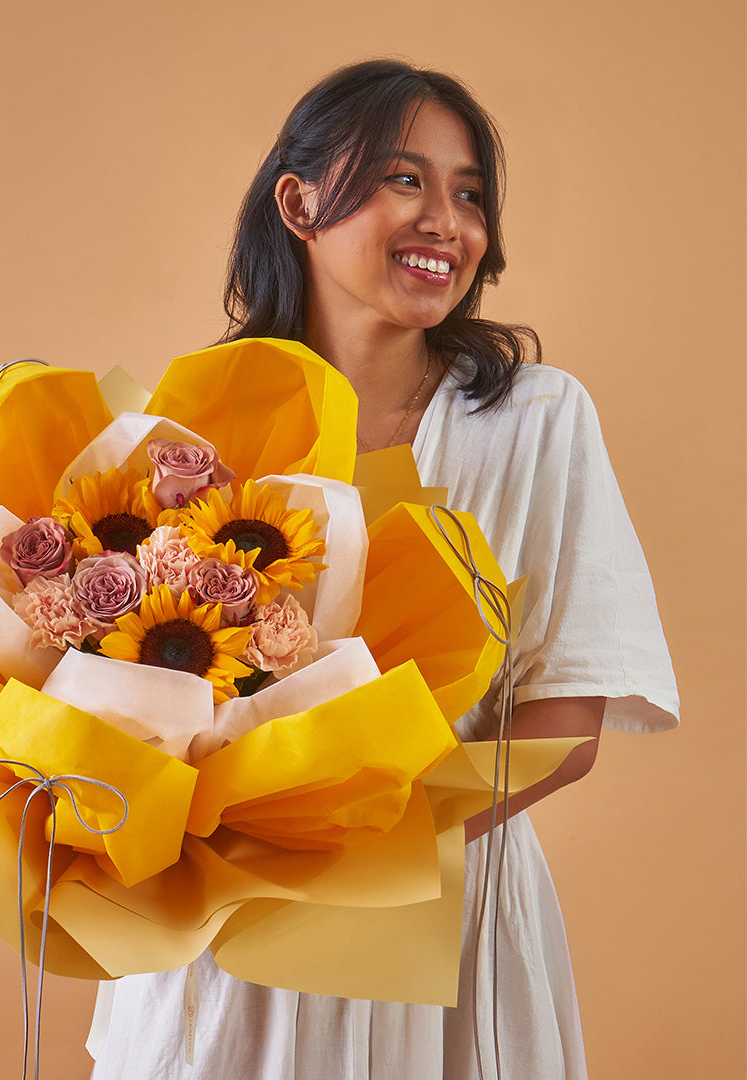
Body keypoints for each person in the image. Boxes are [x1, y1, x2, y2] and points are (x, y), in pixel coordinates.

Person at [87, 58, 678, 1080]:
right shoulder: (196, 432)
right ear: (299, 201)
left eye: (470, 192)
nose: (446, 220)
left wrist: (348, 849)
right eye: (405, 179)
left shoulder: (535, 419)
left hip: (439, 905)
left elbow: (566, 722)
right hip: (231, 928)